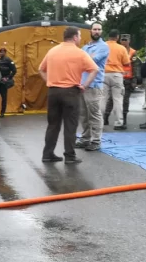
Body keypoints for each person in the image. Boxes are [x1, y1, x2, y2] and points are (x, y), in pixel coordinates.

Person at [39, 26, 99, 164]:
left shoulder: (52, 51)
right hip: (71, 92)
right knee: (70, 125)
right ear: (75, 37)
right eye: (79, 36)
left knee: (53, 124)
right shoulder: (80, 53)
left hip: (53, 91)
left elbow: (40, 70)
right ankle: (70, 156)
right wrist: (84, 85)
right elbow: (94, 70)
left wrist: (49, 81)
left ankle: (47, 154)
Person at [76, 22, 109, 151]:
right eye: (94, 29)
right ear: (90, 31)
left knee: (94, 114)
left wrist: (85, 58)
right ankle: (85, 139)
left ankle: (96, 141)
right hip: (82, 84)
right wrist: (86, 58)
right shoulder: (86, 47)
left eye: (99, 29)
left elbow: (90, 61)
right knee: (84, 114)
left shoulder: (104, 47)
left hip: (94, 84)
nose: (96, 31)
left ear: (101, 31)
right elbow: (82, 61)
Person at [102, 30, 131, 129]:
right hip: (117, 75)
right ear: (117, 37)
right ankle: (118, 122)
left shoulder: (102, 46)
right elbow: (127, 63)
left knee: (102, 99)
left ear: (108, 36)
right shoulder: (121, 48)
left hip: (103, 74)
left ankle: (99, 122)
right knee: (117, 100)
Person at [0, 47, 16, 118]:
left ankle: (2, 113)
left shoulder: (8, 60)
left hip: (4, 82)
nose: (0, 53)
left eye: (1, 52)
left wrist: (7, 78)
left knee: (4, 98)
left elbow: (14, 70)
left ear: (5, 53)